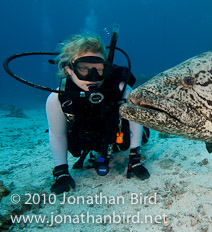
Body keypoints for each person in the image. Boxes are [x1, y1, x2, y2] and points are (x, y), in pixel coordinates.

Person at [46, 34, 150, 194]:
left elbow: (136, 119)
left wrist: (134, 158)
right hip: (86, 139)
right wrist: (61, 171)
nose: (93, 78)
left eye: (99, 69)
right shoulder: (57, 99)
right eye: (83, 69)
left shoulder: (121, 89)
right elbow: (57, 135)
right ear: (68, 68)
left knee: (142, 133)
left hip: (116, 136)